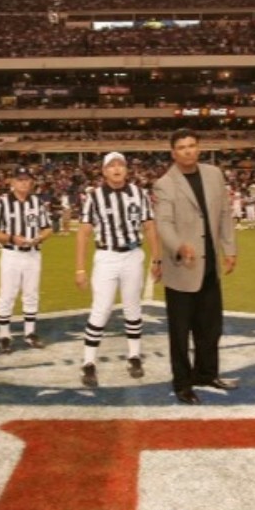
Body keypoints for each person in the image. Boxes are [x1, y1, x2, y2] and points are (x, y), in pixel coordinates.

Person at [153, 129, 238, 405]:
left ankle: (207, 373)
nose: (188, 151)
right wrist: (179, 245)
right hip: (182, 268)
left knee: (211, 327)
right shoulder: (165, 184)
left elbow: (225, 213)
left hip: (209, 265)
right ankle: (182, 383)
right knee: (180, 333)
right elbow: (163, 224)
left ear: (199, 147)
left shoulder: (214, 175)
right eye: (182, 147)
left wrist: (230, 249)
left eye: (192, 145)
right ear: (173, 153)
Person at [75, 152, 161, 387]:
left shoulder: (139, 194)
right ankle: (88, 362)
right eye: (111, 166)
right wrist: (80, 268)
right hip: (106, 256)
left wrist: (157, 259)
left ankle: (134, 356)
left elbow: (150, 227)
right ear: (103, 171)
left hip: (133, 255)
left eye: (120, 165)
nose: (116, 169)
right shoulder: (94, 197)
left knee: (133, 308)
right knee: (100, 310)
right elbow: (83, 232)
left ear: (126, 169)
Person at [0, 166, 52, 353]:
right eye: (20, 179)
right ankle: (4, 335)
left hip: (33, 254)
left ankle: (30, 333)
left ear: (31, 182)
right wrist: (11, 238)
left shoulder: (37, 203)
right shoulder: (3, 203)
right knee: (7, 295)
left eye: (27, 180)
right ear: (12, 182)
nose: (24, 183)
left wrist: (40, 237)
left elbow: (47, 228)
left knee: (31, 294)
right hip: (11, 253)